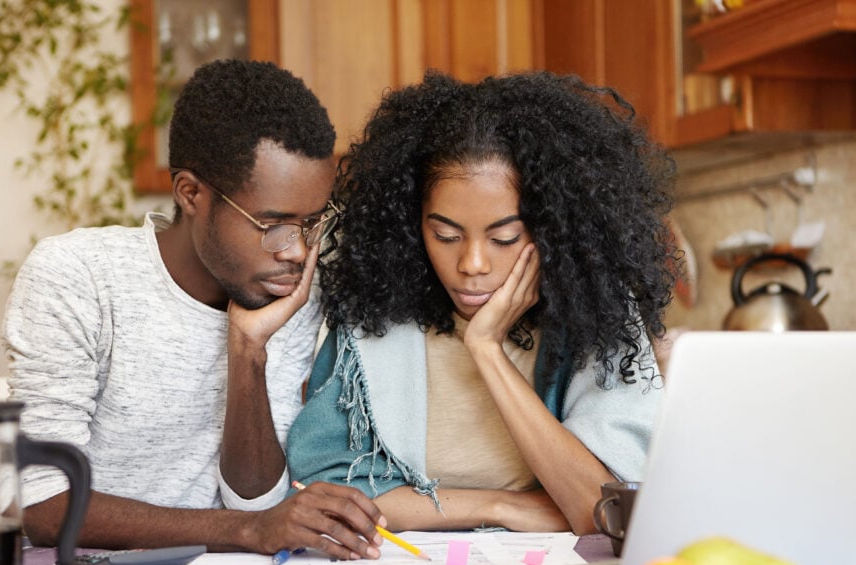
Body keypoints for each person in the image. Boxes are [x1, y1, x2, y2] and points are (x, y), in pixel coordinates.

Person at [2, 59, 385, 560]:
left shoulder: (290, 291)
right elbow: (45, 504)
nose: (296, 250)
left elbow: (256, 505)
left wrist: (248, 348)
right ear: (191, 194)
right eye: (273, 224)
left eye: (314, 222)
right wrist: (246, 533)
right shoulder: (77, 276)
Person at [286, 71, 678, 535]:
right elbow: (325, 487)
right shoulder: (373, 314)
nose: (471, 263)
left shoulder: (600, 316)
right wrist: (501, 508)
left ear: (552, 228)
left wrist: (488, 350)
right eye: (445, 235)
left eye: (504, 237)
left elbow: (603, 511)